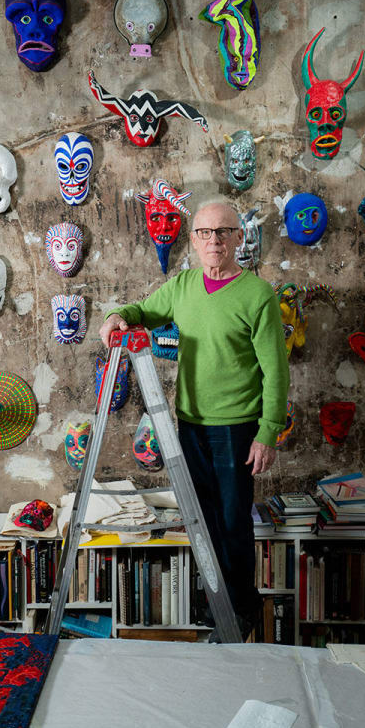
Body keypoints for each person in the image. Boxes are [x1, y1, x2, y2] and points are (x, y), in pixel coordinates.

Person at [99, 201, 290, 639]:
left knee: (233, 521)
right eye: (204, 232)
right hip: (189, 426)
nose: (214, 241)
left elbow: (276, 371)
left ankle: (240, 610)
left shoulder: (257, 294)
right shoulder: (182, 286)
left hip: (237, 429)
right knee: (201, 520)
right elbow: (140, 311)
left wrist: (267, 433)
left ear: (239, 238)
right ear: (194, 239)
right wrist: (116, 316)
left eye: (223, 232)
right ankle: (212, 603)